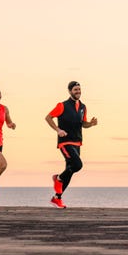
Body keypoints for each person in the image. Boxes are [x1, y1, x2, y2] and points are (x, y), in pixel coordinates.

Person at [45, 80, 98, 208]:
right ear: (69, 91)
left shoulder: (83, 107)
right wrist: (58, 130)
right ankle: (57, 179)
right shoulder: (62, 105)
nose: (78, 92)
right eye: (75, 90)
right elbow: (48, 117)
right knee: (77, 165)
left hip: (77, 142)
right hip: (65, 142)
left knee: (70, 170)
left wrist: (90, 124)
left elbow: (83, 123)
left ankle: (57, 198)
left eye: (79, 89)